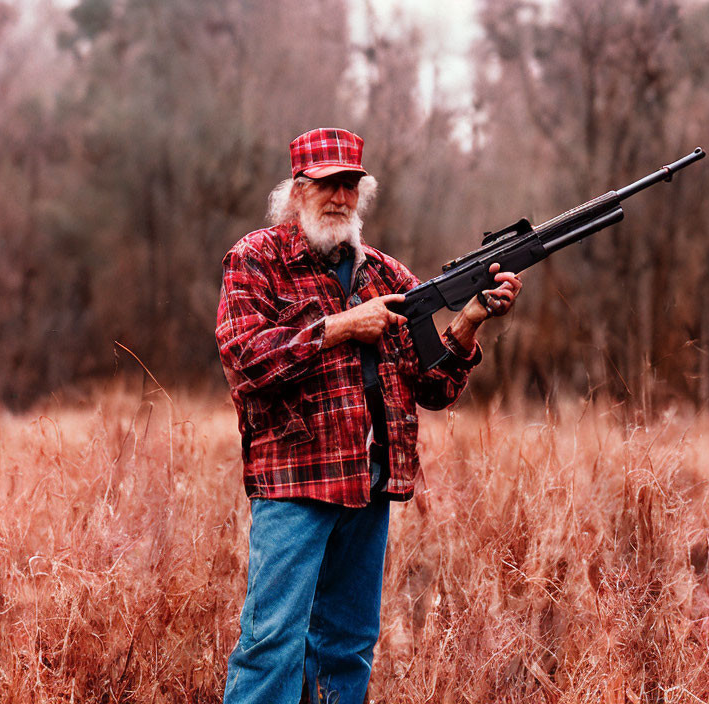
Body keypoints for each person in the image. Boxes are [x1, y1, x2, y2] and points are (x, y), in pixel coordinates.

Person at [215, 127, 522, 704]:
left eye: (350, 185)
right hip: (296, 485)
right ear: (296, 190)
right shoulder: (255, 260)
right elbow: (245, 360)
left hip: (372, 483)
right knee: (272, 643)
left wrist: (470, 321)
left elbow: (431, 389)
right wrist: (338, 329)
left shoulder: (384, 274)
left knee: (348, 645)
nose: (339, 197)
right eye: (326, 184)